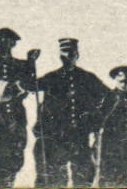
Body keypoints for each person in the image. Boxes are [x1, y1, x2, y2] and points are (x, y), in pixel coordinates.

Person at [34, 38, 110, 188]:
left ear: (77, 55)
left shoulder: (87, 78)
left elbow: (109, 97)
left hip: (79, 135)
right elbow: (30, 85)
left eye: (71, 53)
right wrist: (30, 64)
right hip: (56, 136)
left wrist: (96, 118)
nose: (68, 57)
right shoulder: (51, 77)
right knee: (56, 178)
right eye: (64, 54)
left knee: (83, 176)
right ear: (59, 56)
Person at [0, 27, 40, 188]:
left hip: (17, 115)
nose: (3, 43)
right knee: (0, 156)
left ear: (13, 44)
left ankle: (8, 184)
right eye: (0, 40)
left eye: (7, 40)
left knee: (17, 154)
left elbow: (31, 86)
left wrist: (31, 63)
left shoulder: (21, 65)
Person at [96, 66, 127, 188]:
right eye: (120, 76)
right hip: (109, 149)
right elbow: (97, 123)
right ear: (115, 78)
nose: (124, 80)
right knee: (109, 182)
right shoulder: (107, 97)